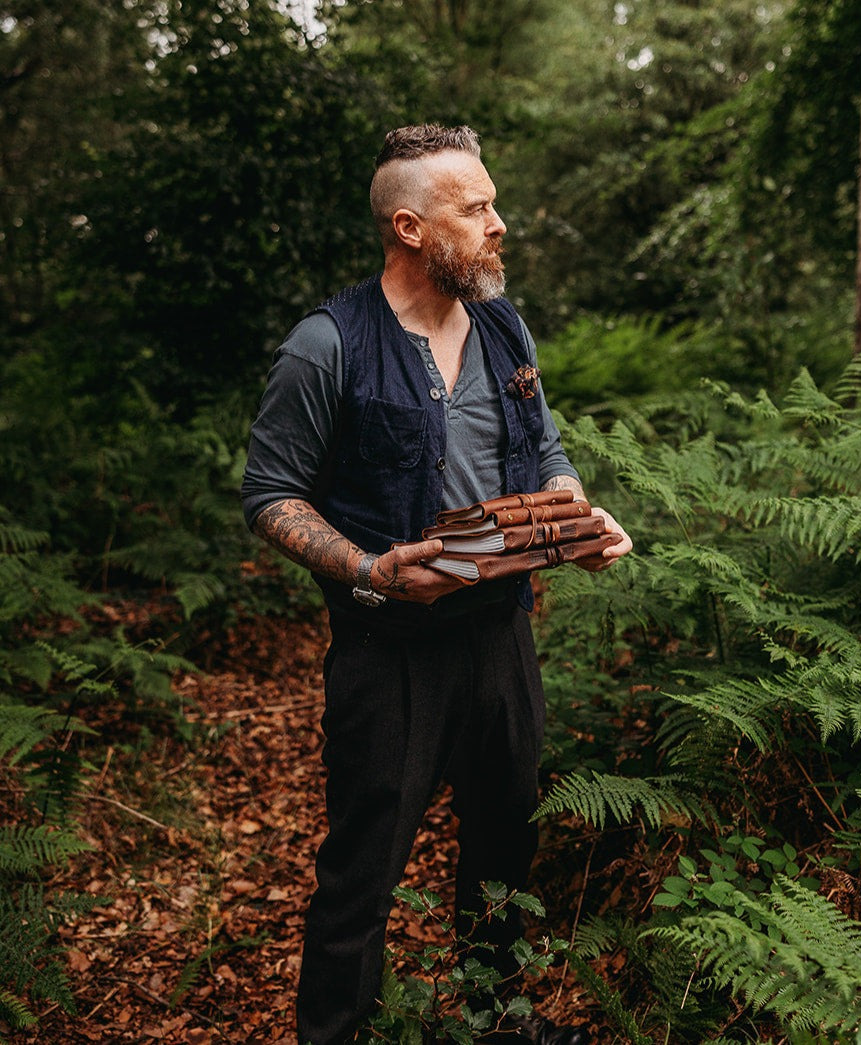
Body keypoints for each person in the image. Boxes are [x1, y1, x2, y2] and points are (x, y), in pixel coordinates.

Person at [241, 124, 631, 1045]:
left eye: (493, 202)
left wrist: (574, 514)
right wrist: (370, 569)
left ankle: (501, 1028)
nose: (501, 224)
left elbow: (544, 449)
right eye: (478, 208)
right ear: (411, 227)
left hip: (500, 635)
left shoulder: (503, 324)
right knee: (361, 872)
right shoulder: (324, 345)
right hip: (389, 653)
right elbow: (270, 495)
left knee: (505, 843)